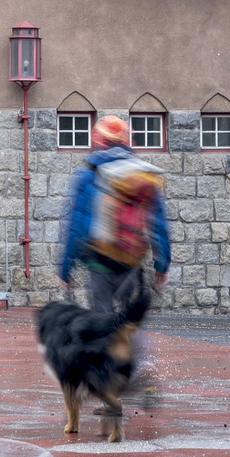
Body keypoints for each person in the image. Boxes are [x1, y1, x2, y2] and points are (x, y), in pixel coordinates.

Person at [58, 115, 171, 312]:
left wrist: (66, 268)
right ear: (127, 140)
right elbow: (158, 225)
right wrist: (162, 265)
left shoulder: (89, 175)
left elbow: (76, 226)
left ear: (99, 140)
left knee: (102, 318)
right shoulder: (140, 176)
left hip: (99, 260)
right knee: (129, 319)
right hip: (130, 260)